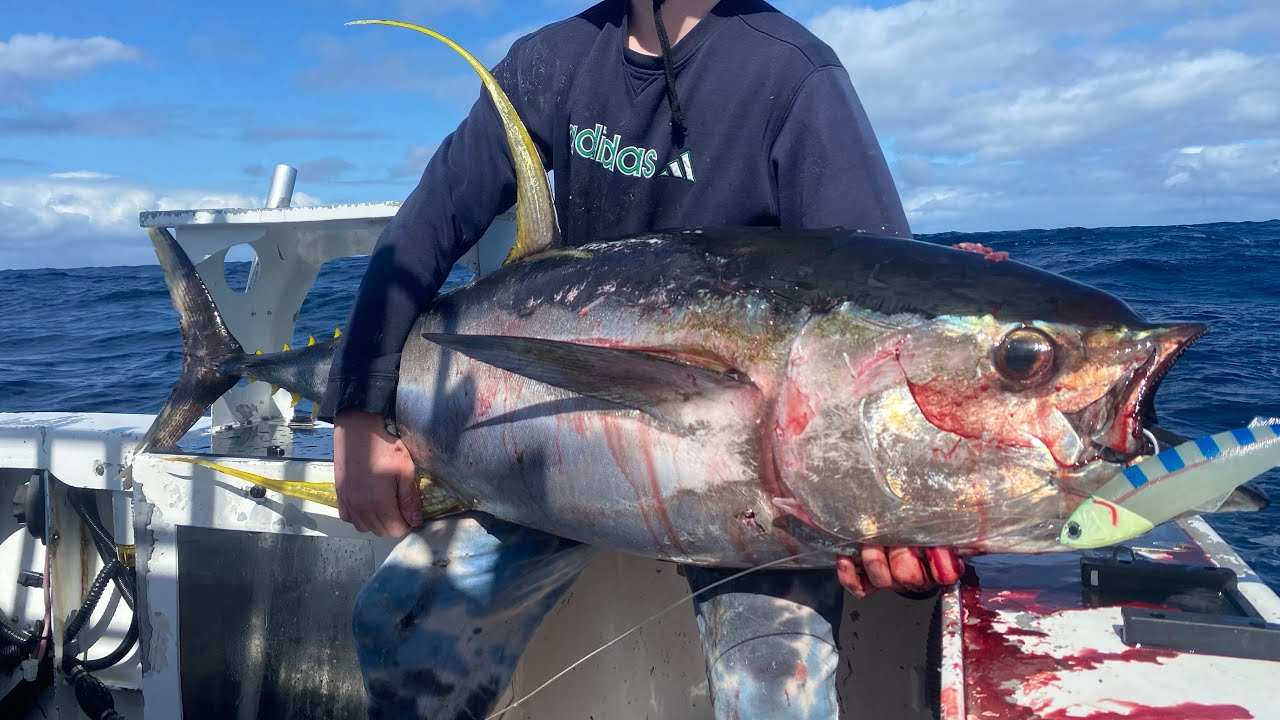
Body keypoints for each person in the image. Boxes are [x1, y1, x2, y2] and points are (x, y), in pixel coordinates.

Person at [320, 1, 963, 717]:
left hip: (749, 486)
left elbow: (879, 317)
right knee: (397, 621)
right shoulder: (552, 60)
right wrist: (358, 412)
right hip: (556, 440)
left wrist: (894, 515)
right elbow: (427, 223)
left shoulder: (793, 74)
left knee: (772, 683)